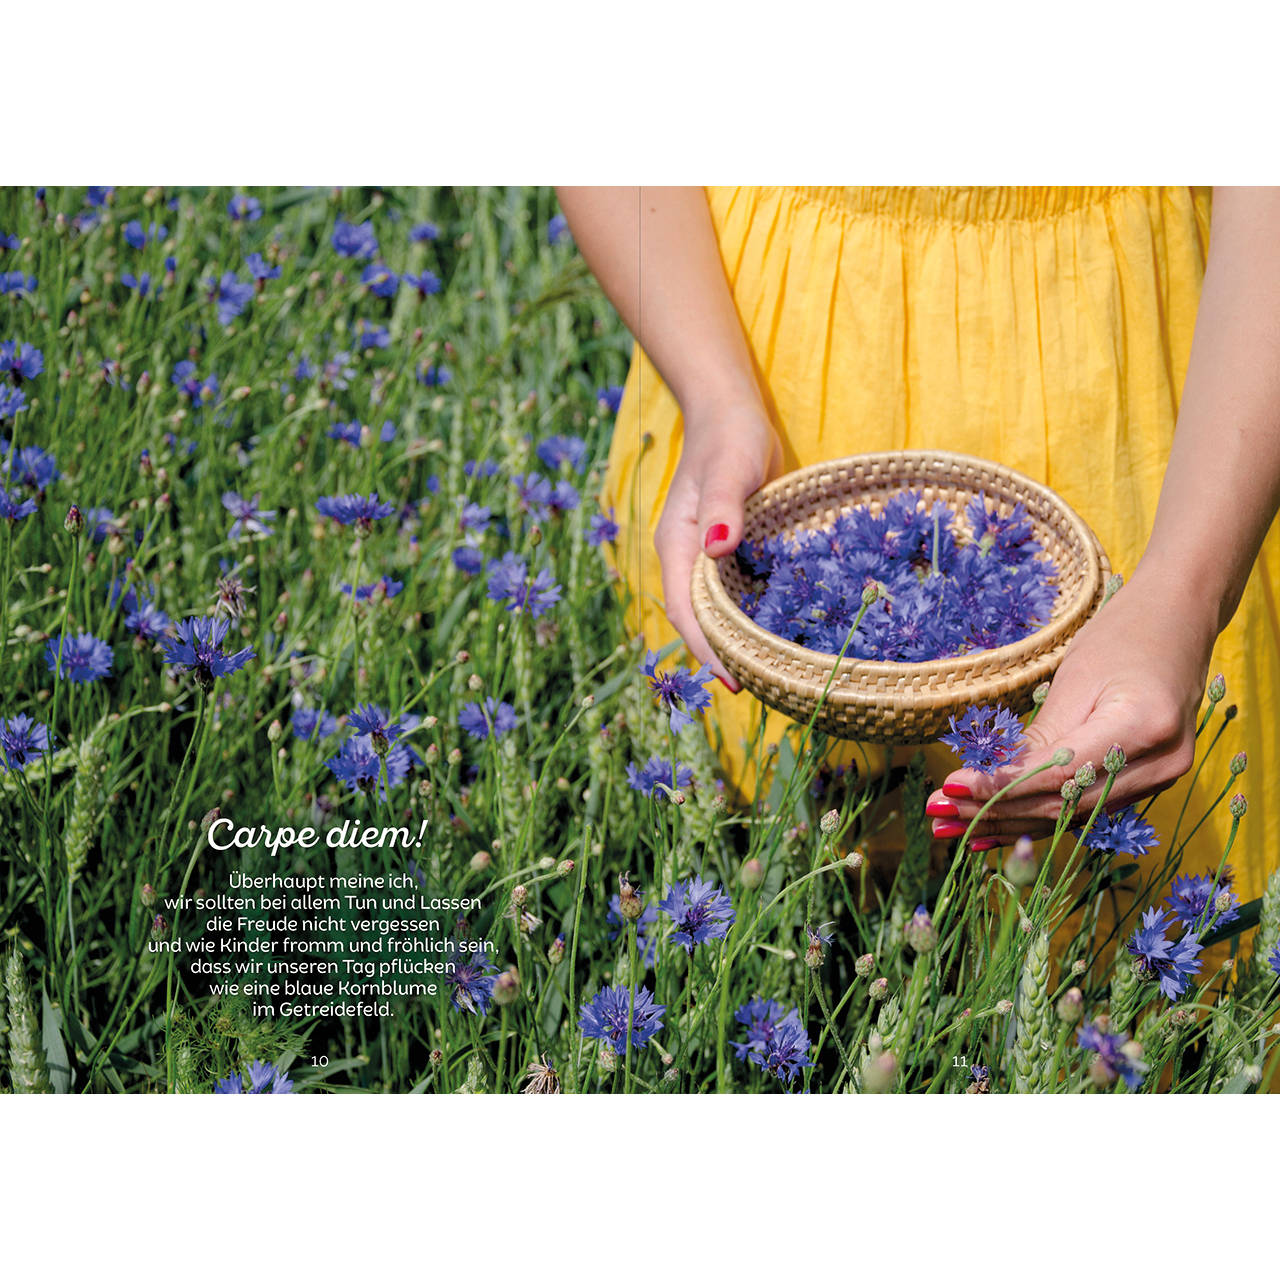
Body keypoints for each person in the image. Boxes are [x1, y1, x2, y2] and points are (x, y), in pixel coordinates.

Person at [556, 187, 1280, 914]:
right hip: (743, 345)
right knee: (772, 871)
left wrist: (1183, 589)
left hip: (1169, 413)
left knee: (1114, 903)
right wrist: (714, 395)